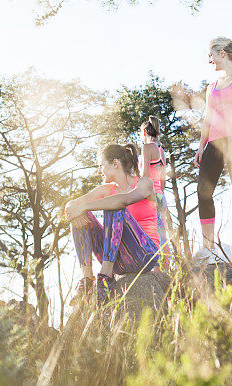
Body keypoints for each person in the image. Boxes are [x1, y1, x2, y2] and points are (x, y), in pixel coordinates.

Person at [64, 144, 160, 302]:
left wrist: (84, 207)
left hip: (144, 254)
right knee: (84, 216)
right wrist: (75, 211)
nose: (98, 170)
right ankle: (88, 280)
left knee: (113, 206)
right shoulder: (106, 189)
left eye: (101, 165)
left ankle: (105, 277)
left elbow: (124, 200)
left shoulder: (144, 183)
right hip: (118, 261)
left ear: (115, 164)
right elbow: (72, 205)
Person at [195, 37, 232, 262]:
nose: (208, 59)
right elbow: (207, 119)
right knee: (203, 191)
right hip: (214, 142)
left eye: (210, 54)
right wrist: (201, 147)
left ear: (222, 53)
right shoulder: (211, 87)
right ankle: (208, 246)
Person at [139, 116, 172, 268]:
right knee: (162, 232)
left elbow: (145, 175)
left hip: (150, 196)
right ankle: (166, 267)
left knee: (150, 232)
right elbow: (163, 180)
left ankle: (155, 267)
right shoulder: (161, 150)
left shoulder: (146, 148)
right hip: (161, 195)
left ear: (145, 132)